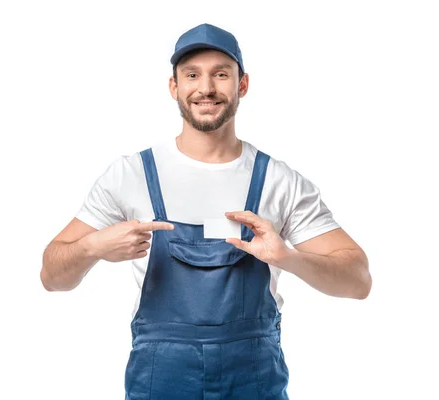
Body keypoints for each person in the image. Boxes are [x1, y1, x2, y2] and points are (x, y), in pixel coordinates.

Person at [41, 23, 371, 400]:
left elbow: (359, 281)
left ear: (242, 85)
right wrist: (92, 248)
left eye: (221, 74)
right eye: (192, 74)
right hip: (160, 383)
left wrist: (288, 258)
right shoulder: (129, 174)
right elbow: (52, 277)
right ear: (174, 87)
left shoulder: (280, 181)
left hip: (253, 382)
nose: (206, 88)